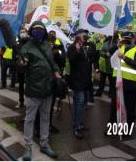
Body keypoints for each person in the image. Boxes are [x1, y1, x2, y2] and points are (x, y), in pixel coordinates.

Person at [19, 21, 61, 161]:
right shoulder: (27, 47)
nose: (39, 32)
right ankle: (28, 146)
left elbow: (53, 62)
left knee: (45, 118)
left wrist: (56, 72)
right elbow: (20, 65)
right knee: (30, 119)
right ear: (31, 31)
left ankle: (44, 144)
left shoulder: (47, 47)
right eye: (36, 30)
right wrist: (22, 62)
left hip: (48, 89)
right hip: (33, 89)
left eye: (41, 30)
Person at [109, 31, 136, 127]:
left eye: (128, 39)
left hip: (130, 84)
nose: (126, 41)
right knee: (115, 105)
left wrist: (125, 57)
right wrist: (117, 44)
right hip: (117, 82)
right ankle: (112, 126)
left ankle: (127, 128)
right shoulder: (120, 48)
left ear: (133, 39)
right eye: (125, 39)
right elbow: (110, 50)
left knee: (129, 107)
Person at [67, 29, 94, 139]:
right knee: (79, 102)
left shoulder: (86, 47)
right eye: (84, 35)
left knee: (81, 103)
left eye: (86, 35)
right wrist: (78, 50)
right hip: (77, 80)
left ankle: (78, 122)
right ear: (78, 36)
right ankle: (77, 126)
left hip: (86, 80)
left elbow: (91, 59)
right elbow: (72, 60)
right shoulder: (72, 47)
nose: (86, 37)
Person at [15, 27, 30, 109]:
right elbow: (16, 53)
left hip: (29, 68)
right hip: (20, 67)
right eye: (21, 32)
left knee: (29, 85)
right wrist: (18, 59)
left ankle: (29, 102)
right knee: (21, 85)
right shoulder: (18, 43)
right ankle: (21, 101)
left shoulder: (30, 42)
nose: (22, 33)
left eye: (24, 32)